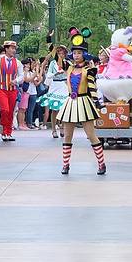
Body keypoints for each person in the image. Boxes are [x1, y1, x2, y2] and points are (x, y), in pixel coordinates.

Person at [57, 27, 106, 175]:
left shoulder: (89, 70)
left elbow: (92, 87)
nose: (76, 55)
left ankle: (101, 164)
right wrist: (50, 42)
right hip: (71, 103)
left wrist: (97, 103)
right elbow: (57, 59)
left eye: (79, 53)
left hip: (84, 102)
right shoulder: (69, 68)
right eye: (75, 53)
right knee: (67, 135)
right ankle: (65, 165)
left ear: (84, 54)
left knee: (91, 135)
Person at [39, 36, 70, 138]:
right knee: (54, 109)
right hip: (55, 86)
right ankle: (53, 129)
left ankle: (62, 127)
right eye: (59, 52)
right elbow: (48, 75)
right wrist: (55, 73)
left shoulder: (67, 63)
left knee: (64, 108)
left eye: (63, 53)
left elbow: (70, 74)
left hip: (64, 86)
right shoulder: (53, 63)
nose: (61, 54)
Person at [0, 41, 24, 141]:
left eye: (14, 48)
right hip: (1, 89)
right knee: (4, 110)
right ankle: (4, 131)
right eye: (12, 48)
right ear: (6, 49)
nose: (14, 50)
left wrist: (16, 81)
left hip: (12, 90)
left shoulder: (18, 63)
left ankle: (8, 132)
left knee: (11, 112)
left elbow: (22, 76)